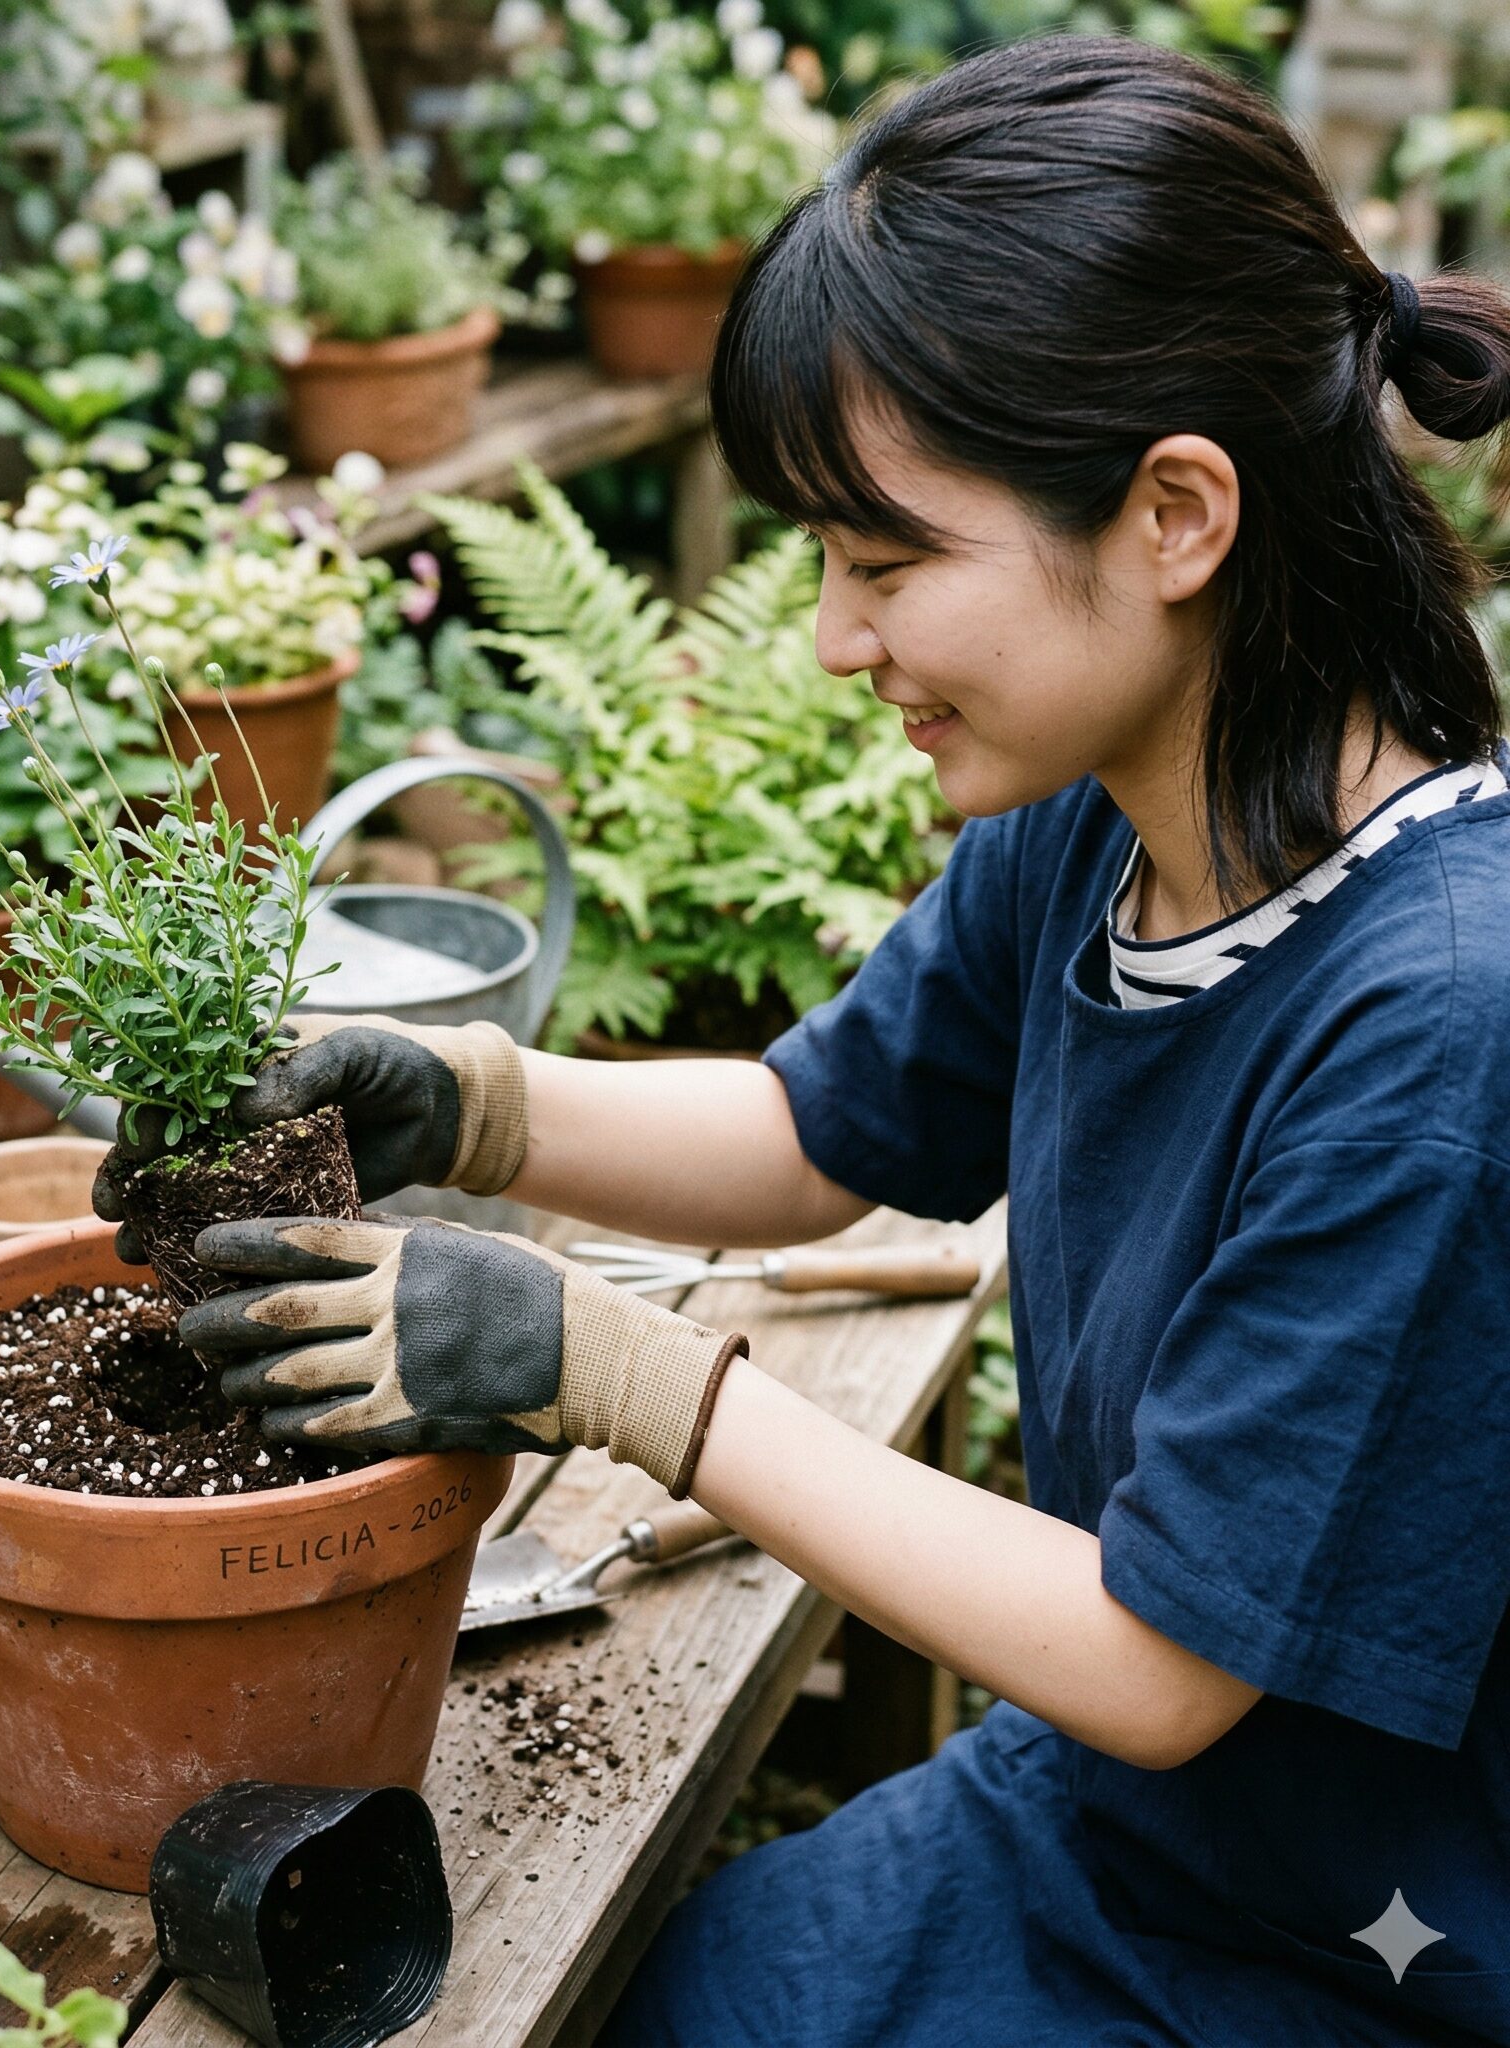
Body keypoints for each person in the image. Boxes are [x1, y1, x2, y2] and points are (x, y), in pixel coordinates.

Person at [96, 36, 1510, 2045]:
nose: (838, 640)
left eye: (886, 559)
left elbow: (1156, 1659)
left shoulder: (1438, 1034)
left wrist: (622, 1373)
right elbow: (809, 1132)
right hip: (1119, 1827)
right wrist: (471, 1099)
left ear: (1175, 511)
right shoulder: (1096, 830)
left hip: (1350, 1948)